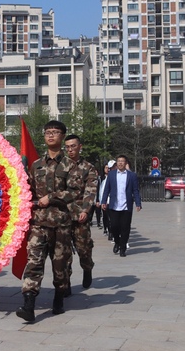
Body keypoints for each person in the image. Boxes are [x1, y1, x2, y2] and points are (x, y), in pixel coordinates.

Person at [16, 120, 79, 322]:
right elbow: (29, 190)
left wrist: (51, 198)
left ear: (62, 136)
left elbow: (74, 192)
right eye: (47, 132)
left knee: (60, 267)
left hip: (61, 225)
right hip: (39, 224)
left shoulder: (71, 165)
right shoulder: (36, 165)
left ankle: (59, 297)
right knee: (33, 263)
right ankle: (28, 304)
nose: (50, 135)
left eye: (55, 132)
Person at [63, 134, 98, 291]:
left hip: (79, 215)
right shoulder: (60, 166)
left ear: (80, 147)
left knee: (84, 249)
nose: (70, 149)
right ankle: (65, 284)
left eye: (73, 146)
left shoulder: (88, 167)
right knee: (63, 252)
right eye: (67, 147)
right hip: (62, 215)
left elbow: (90, 191)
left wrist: (85, 210)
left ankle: (87, 268)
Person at [101, 155, 142, 257]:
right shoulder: (111, 174)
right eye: (118, 161)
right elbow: (107, 189)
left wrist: (138, 203)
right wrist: (103, 201)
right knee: (114, 226)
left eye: (122, 161)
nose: (120, 163)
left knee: (125, 228)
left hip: (126, 206)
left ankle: (123, 248)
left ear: (125, 163)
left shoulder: (132, 175)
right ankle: (117, 242)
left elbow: (135, 190)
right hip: (114, 205)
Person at [101, 161, 114, 239]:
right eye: (107, 168)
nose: (108, 169)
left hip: (114, 201)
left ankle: (112, 232)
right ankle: (109, 231)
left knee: (113, 219)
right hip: (106, 201)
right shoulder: (102, 178)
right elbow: (102, 191)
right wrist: (101, 201)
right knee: (107, 218)